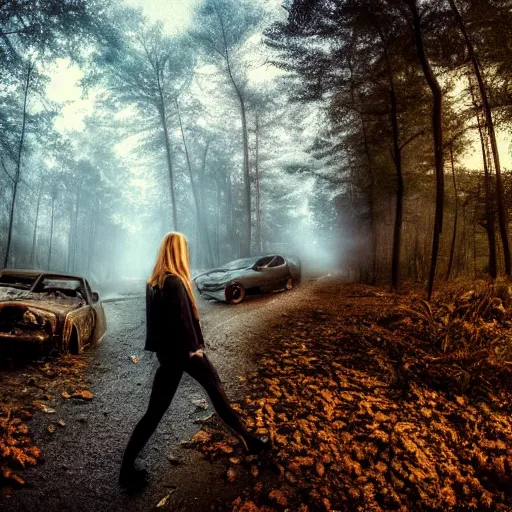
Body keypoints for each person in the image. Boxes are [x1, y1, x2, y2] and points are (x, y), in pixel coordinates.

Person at [119, 232, 270, 487]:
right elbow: (180, 322)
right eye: (185, 250)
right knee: (215, 392)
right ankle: (250, 442)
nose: (188, 254)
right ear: (178, 252)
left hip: (169, 356)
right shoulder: (175, 283)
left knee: (155, 413)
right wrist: (194, 350)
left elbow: (157, 326)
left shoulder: (154, 282)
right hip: (184, 354)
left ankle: (125, 471)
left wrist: (171, 351)